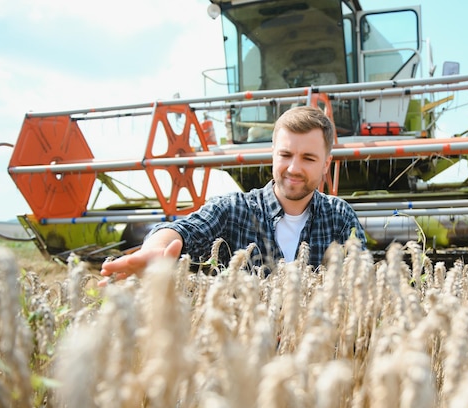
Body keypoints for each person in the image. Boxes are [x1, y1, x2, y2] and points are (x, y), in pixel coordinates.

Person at [100, 106, 367, 280]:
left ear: (325, 164)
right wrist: (157, 249)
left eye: (308, 158)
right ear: (272, 154)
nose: (294, 168)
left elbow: (360, 282)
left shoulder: (339, 217)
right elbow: (187, 229)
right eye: (285, 155)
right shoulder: (235, 209)